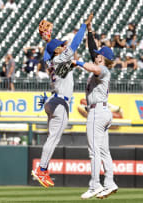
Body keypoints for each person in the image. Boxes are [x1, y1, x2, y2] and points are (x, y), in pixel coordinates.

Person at [31, 13, 92, 188]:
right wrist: (83, 26)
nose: (62, 47)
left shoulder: (51, 61)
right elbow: (75, 44)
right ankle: (41, 169)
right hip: (59, 103)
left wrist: (47, 42)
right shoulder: (59, 58)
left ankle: (43, 168)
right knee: (53, 139)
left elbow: (50, 57)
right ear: (55, 51)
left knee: (52, 137)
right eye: (59, 46)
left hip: (52, 101)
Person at [75, 14, 118, 200]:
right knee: (103, 151)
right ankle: (109, 183)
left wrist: (75, 61)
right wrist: (89, 30)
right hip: (103, 112)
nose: (97, 54)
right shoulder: (101, 62)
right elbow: (92, 48)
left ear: (103, 58)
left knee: (94, 152)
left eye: (100, 54)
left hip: (97, 113)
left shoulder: (104, 69)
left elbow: (92, 68)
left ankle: (95, 185)